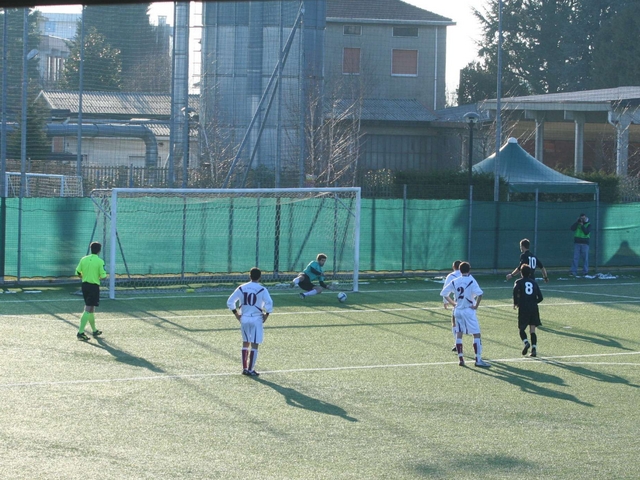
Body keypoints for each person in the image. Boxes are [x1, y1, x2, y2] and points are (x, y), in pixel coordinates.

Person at [440, 262, 490, 368]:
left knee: (459, 333)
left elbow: (444, 293)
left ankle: (461, 359)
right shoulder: (471, 280)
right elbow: (480, 294)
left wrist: (453, 303)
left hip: (457, 310)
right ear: (469, 270)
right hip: (468, 310)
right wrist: (476, 306)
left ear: (459, 270)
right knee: (476, 334)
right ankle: (478, 359)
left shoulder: (455, 280)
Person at [227, 267, 273, 377]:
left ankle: (244, 368)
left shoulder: (242, 287)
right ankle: (251, 369)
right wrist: (267, 314)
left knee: (245, 342)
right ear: (260, 277)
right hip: (256, 318)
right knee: (255, 344)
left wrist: (236, 313)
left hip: (244, 317)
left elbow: (230, 301)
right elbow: (269, 303)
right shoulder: (262, 289)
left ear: (249, 276)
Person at [75, 241, 107, 341]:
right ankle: (80, 332)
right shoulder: (100, 261)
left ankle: (94, 330)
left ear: (90, 249)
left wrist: (84, 276)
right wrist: (99, 276)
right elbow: (103, 276)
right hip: (93, 286)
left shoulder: (83, 259)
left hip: (84, 285)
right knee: (88, 308)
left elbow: (77, 272)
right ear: (99, 251)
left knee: (91, 308)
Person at [512, 265, 543, 357]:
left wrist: (516, 302)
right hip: (533, 308)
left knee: (521, 329)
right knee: (532, 330)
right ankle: (534, 349)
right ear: (530, 273)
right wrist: (533, 302)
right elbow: (540, 297)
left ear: (521, 273)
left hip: (524, 308)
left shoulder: (518, 282)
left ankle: (526, 343)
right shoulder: (534, 282)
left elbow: (515, 291)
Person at [442, 260, 462, 352]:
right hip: (469, 304)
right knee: (473, 328)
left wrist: (445, 301)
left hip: (458, 302)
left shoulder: (451, 276)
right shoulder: (468, 276)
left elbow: (446, 290)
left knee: (454, 322)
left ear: (453, 267)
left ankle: (457, 343)